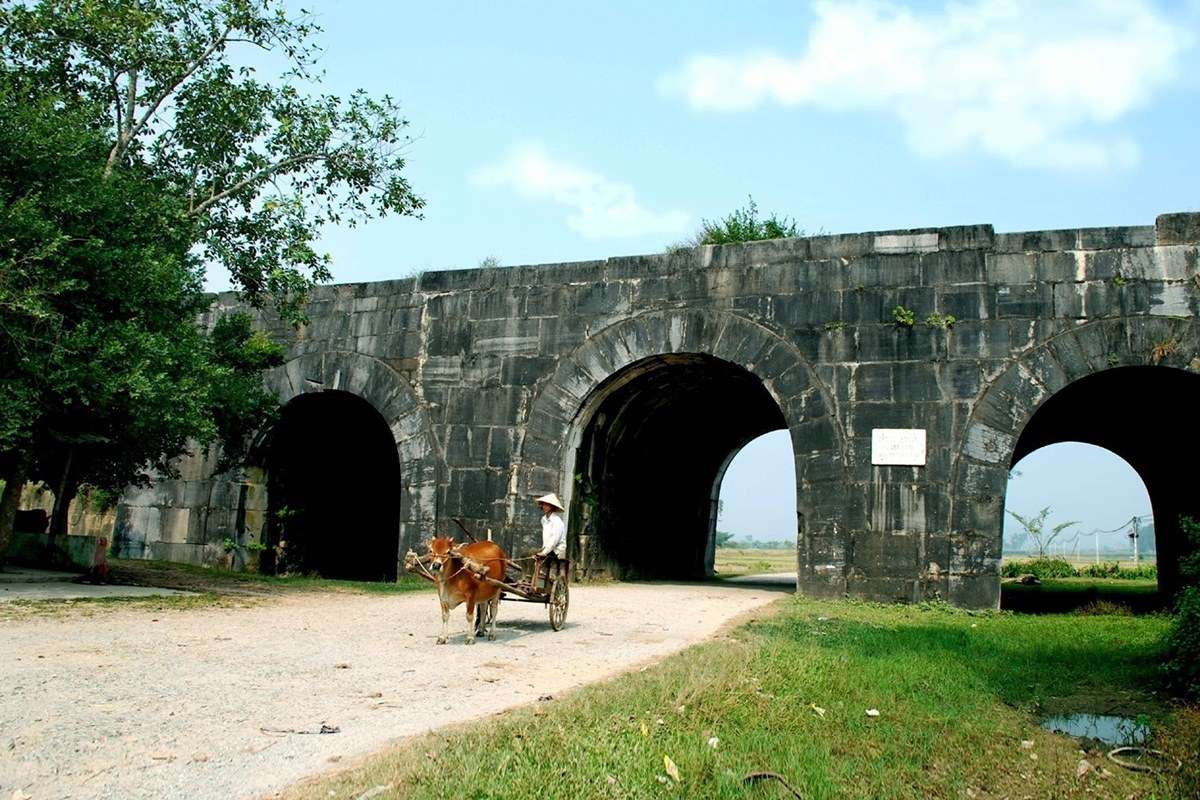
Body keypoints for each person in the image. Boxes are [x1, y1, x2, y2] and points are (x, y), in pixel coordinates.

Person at [533, 493, 566, 589]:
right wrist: (543, 551)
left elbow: (554, 539)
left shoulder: (557, 522)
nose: (544, 506)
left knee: (549, 572)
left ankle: (546, 585)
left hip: (557, 551)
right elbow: (547, 538)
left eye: (547, 505)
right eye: (543, 504)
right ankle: (535, 584)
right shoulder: (544, 519)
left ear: (552, 507)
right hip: (547, 549)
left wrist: (544, 552)